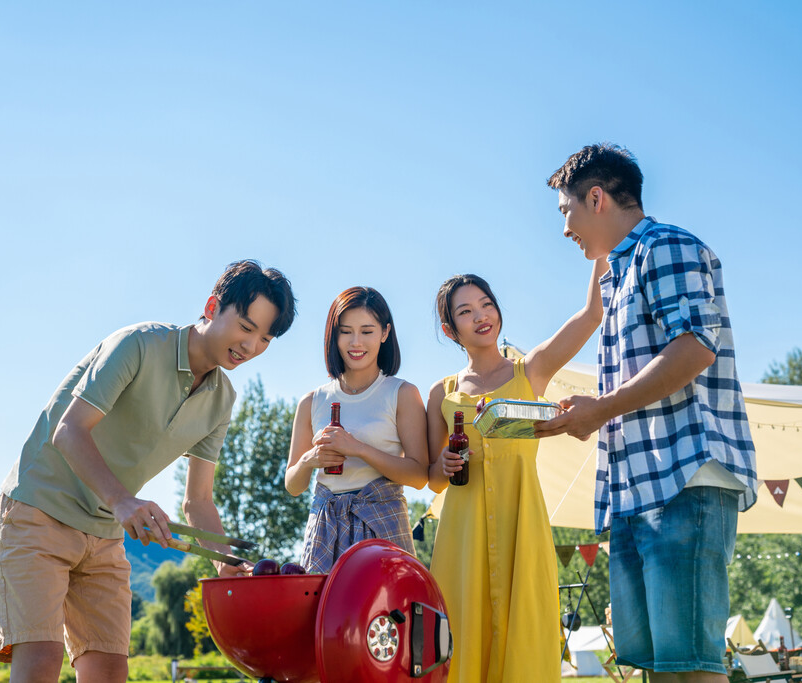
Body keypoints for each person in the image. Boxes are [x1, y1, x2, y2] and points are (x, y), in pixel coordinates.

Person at [0, 260, 297, 683]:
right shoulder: (138, 344)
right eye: (246, 327)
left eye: (265, 338)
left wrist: (226, 561)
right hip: (38, 510)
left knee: (109, 671)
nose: (251, 346)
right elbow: (69, 431)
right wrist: (122, 501)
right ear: (212, 306)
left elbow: (198, 500)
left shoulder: (221, 399)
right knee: (42, 659)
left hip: (103, 535)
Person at [535, 143, 758, 683]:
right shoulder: (617, 276)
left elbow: (694, 347)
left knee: (692, 669)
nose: (566, 229)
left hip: (685, 479)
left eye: (566, 211)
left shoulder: (666, 246)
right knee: (659, 669)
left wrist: (601, 409)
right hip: (635, 493)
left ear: (596, 197)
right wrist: (589, 413)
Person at [426, 264, 604, 683]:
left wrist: (602, 250)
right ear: (451, 330)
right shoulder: (442, 393)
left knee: (525, 631)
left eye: (487, 304)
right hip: (461, 536)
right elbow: (431, 477)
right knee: (461, 634)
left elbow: (591, 315)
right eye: (466, 311)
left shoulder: (530, 371)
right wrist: (444, 465)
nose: (481, 315)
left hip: (521, 525)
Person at [285, 286, 428, 573]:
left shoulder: (402, 393)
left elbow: (418, 476)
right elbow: (293, 485)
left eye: (367, 331)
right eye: (345, 331)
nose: (355, 342)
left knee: (387, 613)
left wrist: (358, 449)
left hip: (383, 522)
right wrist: (310, 460)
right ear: (333, 335)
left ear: (385, 333)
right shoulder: (312, 401)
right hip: (325, 528)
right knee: (324, 615)